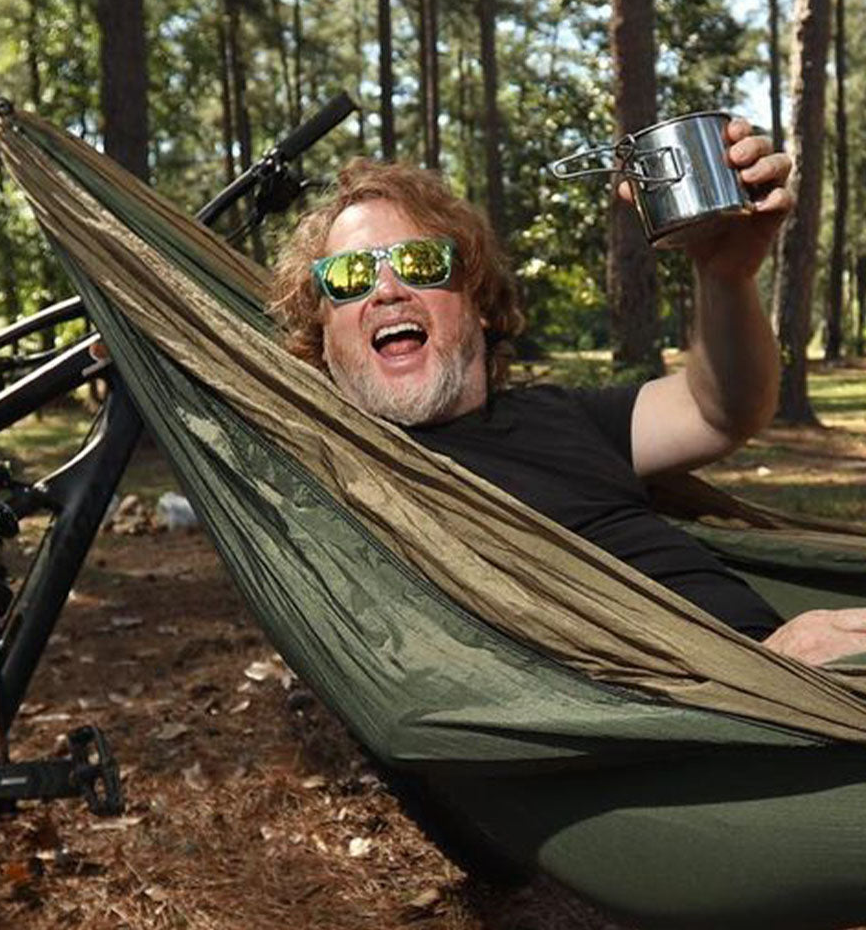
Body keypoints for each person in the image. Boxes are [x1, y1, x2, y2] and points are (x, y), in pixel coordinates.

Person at [269, 117, 866, 666]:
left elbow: (722, 411)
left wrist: (724, 274)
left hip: (803, 683)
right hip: (740, 719)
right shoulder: (347, 482)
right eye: (348, 277)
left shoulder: (563, 414)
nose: (387, 290)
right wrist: (769, 667)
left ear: (478, 304)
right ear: (322, 335)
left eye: (422, 263)